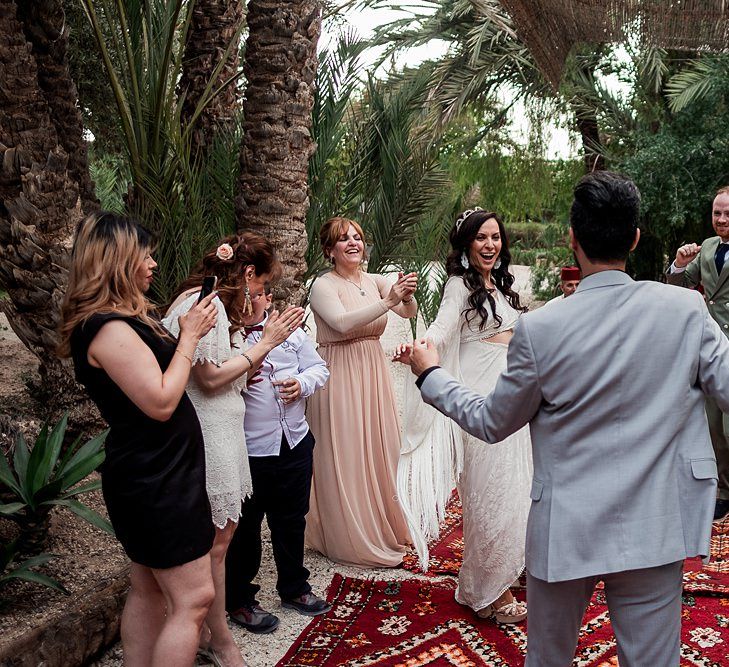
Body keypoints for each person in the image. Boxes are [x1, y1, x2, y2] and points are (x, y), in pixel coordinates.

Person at [406, 171, 729, 666]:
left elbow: (493, 421)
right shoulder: (687, 311)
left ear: (572, 240)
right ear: (636, 238)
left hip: (565, 529)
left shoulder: (540, 328)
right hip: (655, 525)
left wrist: (430, 376)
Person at [58, 211, 219, 666]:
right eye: (144, 255)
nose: (153, 264)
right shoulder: (106, 328)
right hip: (156, 478)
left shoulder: (121, 319)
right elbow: (162, 401)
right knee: (193, 600)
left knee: (149, 589)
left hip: (162, 470)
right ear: (116, 261)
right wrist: (188, 337)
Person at [163, 234, 304, 665]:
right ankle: (218, 638)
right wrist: (265, 342)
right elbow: (205, 380)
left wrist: (247, 361)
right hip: (207, 435)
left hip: (222, 432)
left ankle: (210, 632)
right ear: (245, 275)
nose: (260, 296)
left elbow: (219, 371)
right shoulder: (202, 304)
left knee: (218, 543)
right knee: (216, 544)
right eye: (260, 286)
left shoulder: (215, 307)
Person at [395, 208, 531, 623]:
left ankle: (504, 570)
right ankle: (490, 591)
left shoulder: (501, 286)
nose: (490, 245)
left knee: (517, 488)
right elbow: (441, 328)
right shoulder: (459, 285)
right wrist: (421, 351)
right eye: (482, 238)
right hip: (482, 395)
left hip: (511, 391)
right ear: (467, 245)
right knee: (491, 488)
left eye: (495, 237)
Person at [305, 216, 417, 567]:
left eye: (357, 237)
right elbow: (340, 323)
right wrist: (388, 302)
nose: (353, 243)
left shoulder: (375, 280)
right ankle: (348, 534)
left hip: (371, 370)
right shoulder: (323, 285)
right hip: (338, 372)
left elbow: (407, 311)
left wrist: (406, 297)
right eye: (343, 239)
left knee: (379, 445)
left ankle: (384, 524)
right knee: (347, 448)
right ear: (329, 250)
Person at [224, 284, 330, 634]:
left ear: (268, 297)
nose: (248, 300)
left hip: (295, 440)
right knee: (246, 528)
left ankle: (294, 588)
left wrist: (301, 383)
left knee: (291, 519)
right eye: (242, 294)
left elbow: (320, 369)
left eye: (255, 293)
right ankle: (240, 599)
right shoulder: (230, 337)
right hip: (251, 449)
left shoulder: (292, 333)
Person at [667, 185, 729, 520]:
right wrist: (679, 264)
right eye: (717, 213)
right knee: (714, 423)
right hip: (711, 344)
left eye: (727, 214)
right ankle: (722, 490)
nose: (721, 219)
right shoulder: (706, 248)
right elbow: (676, 287)